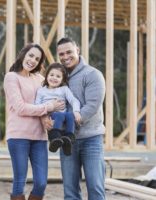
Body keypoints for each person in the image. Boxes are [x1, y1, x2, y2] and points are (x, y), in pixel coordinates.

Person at [3, 43, 62, 200]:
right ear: (23, 55)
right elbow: (20, 108)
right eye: (30, 55)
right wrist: (48, 106)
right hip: (18, 136)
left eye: (37, 58)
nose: (33, 60)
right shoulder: (11, 77)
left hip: (39, 137)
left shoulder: (40, 79)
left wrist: (46, 116)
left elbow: (41, 102)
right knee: (20, 181)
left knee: (41, 182)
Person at [56, 37, 106, 200]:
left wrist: (70, 121)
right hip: (66, 140)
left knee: (95, 189)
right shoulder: (57, 77)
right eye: (61, 54)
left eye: (69, 52)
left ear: (78, 50)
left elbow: (92, 105)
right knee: (70, 193)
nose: (65, 57)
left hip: (91, 139)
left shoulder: (92, 74)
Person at [35, 63, 81, 155]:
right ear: (47, 75)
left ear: (62, 79)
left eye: (58, 76)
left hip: (63, 115)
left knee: (70, 114)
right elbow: (37, 105)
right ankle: (54, 138)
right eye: (51, 75)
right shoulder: (41, 91)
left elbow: (73, 100)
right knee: (59, 115)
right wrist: (50, 106)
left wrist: (76, 111)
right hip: (50, 115)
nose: (54, 78)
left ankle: (69, 138)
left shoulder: (64, 89)